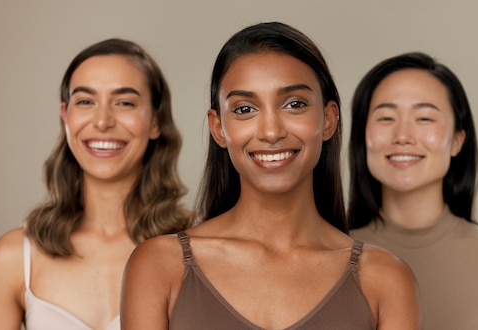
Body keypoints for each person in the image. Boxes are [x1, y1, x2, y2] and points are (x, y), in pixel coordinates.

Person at [121, 22, 421, 329]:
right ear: (218, 128)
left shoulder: (385, 279)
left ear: (329, 119)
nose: (271, 132)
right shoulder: (159, 266)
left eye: (294, 104)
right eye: (244, 109)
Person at [0, 38, 193, 330]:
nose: (102, 121)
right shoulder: (13, 257)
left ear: (156, 120)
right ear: (65, 115)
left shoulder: (200, 248)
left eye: (124, 102)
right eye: (85, 101)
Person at [347, 51, 478, 330]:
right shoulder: (328, 257)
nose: (403, 136)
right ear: (362, 137)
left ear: (457, 141)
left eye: (424, 118)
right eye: (386, 118)